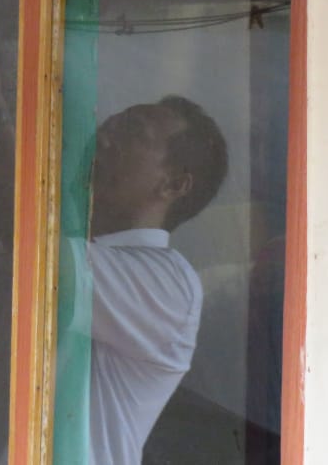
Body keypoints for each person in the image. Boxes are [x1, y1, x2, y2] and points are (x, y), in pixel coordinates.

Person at [69, 96, 230, 465]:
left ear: (173, 185)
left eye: (131, 133)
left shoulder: (169, 284)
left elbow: (29, 251)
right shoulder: (84, 253)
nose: (102, 138)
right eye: (111, 124)